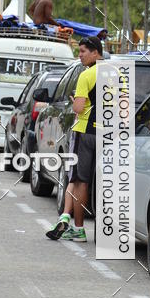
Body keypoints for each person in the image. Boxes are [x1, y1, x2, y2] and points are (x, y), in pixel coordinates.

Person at [46, 36, 104, 243]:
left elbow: (79, 108)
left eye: (82, 52)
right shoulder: (119, 74)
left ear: (95, 52)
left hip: (85, 131)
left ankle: (78, 229)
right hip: (109, 135)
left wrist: (75, 104)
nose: (79, 55)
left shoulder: (87, 75)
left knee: (80, 180)